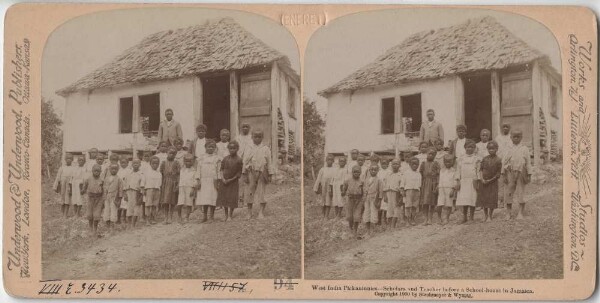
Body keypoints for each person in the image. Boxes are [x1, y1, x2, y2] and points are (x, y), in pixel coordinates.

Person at [242, 130, 275, 219]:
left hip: (262, 172)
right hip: (250, 171)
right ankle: (249, 212)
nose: (257, 138)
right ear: (252, 137)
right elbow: (245, 161)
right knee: (249, 192)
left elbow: (269, 162)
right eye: (255, 136)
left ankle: (261, 212)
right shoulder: (248, 147)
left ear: (262, 137)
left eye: (259, 137)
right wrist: (244, 173)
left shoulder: (265, 148)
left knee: (261, 192)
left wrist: (270, 174)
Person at [501, 130, 531, 220]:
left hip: (521, 172)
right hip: (509, 172)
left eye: (518, 137)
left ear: (521, 137)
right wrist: (503, 174)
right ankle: (508, 212)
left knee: (521, 191)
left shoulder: (524, 148)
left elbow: (528, 162)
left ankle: (520, 212)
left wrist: (529, 173)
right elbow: (503, 161)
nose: (516, 138)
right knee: (508, 192)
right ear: (511, 137)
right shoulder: (507, 148)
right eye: (514, 136)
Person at [216, 141, 243, 221]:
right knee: (224, 198)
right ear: (228, 149)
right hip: (224, 182)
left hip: (233, 182)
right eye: (230, 148)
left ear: (237, 149)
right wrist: (223, 179)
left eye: (234, 148)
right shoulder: (225, 158)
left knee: (232, 198)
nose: (232, 150)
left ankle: (230, 215)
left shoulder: (239, 160)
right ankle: (226, 214)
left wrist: (230, 180)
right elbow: (221, 169)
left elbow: (239, 173)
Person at [455, 139, 480, 224]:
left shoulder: (476, 159)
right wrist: (458, 181)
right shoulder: (461, 158)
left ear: (475, 148)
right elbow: (458, 170)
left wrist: (478, 180)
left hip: (472, 181)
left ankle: (471, 217)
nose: (470, 149)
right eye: (468, 147)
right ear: (465, 147)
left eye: (472, 147)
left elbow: (478, 170)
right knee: (464, 200)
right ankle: (464, 216)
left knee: (472, 199)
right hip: (463, 181)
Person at [196, 139, 219, 223]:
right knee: (204, 199)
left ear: (215, 148)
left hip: (213, 180)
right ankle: (204, 215)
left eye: (212, 147)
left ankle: (211, 216)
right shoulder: (201, 158)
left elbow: (218, 170)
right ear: (205, 147)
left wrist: (218, 180)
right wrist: (198, 180)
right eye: (209, 147)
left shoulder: (216, 158)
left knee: (212, 198)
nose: (210, 149)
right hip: (203, 180)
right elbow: (198, 169)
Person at [478, 141, 502, 222]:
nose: (491, 150)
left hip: (492, 183)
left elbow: (498, 174)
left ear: (497, 149)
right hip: (484, 182)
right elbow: (480, 169)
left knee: (491, 198)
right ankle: (485, 215)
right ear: (487, 149)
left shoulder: (498, 160)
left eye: (493, 149)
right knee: (484, 198)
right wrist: (482, 179)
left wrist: (489, 180)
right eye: (489, 149)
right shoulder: (484, 159)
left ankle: (490, 216)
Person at [342, 166, 364, 238]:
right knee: (350, 216)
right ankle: (350, 229)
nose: (356, 173)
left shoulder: (362, 181)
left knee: (357, 216)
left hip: (359, 200)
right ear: (352, 172)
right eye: (354, 172)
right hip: (350, 199)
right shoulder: (348, 180)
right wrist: (343, 192)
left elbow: (363, 191)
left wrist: (363, 200)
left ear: (360, 173)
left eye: (358, 172)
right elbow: (344, 189)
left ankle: (355, 230)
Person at [82, 164, 104, 237]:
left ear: (101, 171)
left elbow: (103, 190)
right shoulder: (88, 179)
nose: (96, 172)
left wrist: (103, 200)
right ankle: (90, 228)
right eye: (95, 171)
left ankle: (95, 229)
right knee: (89, 214)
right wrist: (82, 190)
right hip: (90, 198)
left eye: (98, 171)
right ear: (92, 171)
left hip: (99, 199)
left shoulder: (102, 180)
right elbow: (84, 188)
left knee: (97, 214)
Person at [160, 147, 180, 224]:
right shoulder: (163, 163)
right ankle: (165, 217)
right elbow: (161, 173)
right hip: (165, 183)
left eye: (173, 154)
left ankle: (170, 217)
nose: (171, 155)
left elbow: (178, 174)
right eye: (170, 153)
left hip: (173, 182)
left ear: (175, 155)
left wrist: (177, 183)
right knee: (165, 201)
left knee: (172, 201)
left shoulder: (177, 163)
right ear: (167, 153)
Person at [420, 148, 440, 225]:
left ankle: (430, 218)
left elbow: (438, 175)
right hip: (425, 184)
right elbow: (421, 175)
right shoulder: (423, 164)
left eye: (432, 154)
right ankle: (425, 218)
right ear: (427, 154)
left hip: (433, 183)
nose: (430, 155)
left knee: (432, 202)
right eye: (429, 153)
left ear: (435, 156)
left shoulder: (436, 164)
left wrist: (437, 184)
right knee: (425, 202)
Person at [363, 164, 383, 235]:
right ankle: (367, 230)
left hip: (375, 198)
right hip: (367, 198)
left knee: (374, 213)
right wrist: (364, 198)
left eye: (375, 170)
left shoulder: (379, 180)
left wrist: (379, 200)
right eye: (372, 170)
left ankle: (373, 230)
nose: (373, 171)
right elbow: (365, 189)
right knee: (367, 213)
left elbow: (380, 191)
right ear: (369, 170)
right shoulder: (366, 179)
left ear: (378, 171)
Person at [495, 123, 512, 209]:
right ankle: (500, 200)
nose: (505, 128)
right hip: (500, 161)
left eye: (507, 127)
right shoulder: (498, 138)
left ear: (509, 128)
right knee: (500, 182)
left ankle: (507, 201)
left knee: (508, 181)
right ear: (501, 128)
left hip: (508, 162)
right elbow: (496, 149)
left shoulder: (511, 137)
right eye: (503, 127)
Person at [103, 163, 123, 233]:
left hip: (115, 197)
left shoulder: (119, 179)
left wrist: (119, 199)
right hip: (107, 197)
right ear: (109, 169)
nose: (114, 170)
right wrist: (104, 197)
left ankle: (112, 226)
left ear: (118, 170)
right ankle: (107, 225)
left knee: (114, 211)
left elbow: (120, 190)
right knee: (107, 210)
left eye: (115, 169)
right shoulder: (106, 179)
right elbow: (105, 188)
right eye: (112, 169)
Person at [313, 154, 335, 219]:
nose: (329, 161)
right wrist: (316, 188)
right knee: (323, 200)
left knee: (328, 200)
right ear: (326, 160)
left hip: (330, 187)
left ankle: (326, 216)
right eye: (328, 160)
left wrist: (333, 188)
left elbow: (335, 179)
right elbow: (318, 179)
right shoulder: (322, 169)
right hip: (323, 187)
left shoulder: (334, 170)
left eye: (331, 160)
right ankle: (323, 214)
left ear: (333, 161)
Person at [436, 154, 457, 224]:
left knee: (449, 204)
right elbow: (440, 179)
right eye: (446, 162)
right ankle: (439, 217)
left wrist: (453, 189)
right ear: (444, 162)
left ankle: (447, 218)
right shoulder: (441, 170)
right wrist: (438, 187)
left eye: (449, 162)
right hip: (441, 188)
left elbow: (455, 180)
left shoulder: (454, 171)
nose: (447, 163)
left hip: (449, 188)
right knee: (440, 204)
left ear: (453, 162)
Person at [401, 158, 421, 226]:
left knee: (414, 206)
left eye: (416, 164)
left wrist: (419, 190)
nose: (415, 165)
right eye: (413, 164)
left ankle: (412, 218)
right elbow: (402, 183)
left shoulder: (418, 173)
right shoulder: (406, 173)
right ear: (410, 164)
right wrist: (402, 190)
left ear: (418, 165)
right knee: (408, 206)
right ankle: (407, 220)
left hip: (416, 190)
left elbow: (419, 184)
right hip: (408, 190)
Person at [123, 159, 143, 228]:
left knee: (136, 208)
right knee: (129, 207)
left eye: (137, 163)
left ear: (140, 164)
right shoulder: (128, 173)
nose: (135, 164)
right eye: (134, 163)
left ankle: (133, 224)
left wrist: (141, 194)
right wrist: (125, 193)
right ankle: (129, 224)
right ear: (131, 164)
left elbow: (142, 185)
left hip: (137, 192)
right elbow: (125, 184)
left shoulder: (141, 174)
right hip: (129, 192)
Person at [54, 153, 75, 218]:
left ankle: (65, 214)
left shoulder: (73, 168)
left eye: (70, 159)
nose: (68, 160)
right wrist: (55, 186)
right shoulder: (62, 168)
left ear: (72, 160)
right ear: (65, 159)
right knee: (62, 198)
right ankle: (62, 213)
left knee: (67, 199)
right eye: (67, 159)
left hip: (69, 185)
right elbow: (58, 177)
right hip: (62, 185)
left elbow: (74, 178)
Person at [384, 159, 403, 228]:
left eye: (397, 164)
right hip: (389, 192)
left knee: (396, 209)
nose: (395, 166)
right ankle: (389, 225)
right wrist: (385, 195)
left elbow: (402, 186)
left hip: (397, 194)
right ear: (391, 165)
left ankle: (393, 225)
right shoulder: (388, 174)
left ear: (400, 165)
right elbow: (385, 185)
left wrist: (401, 196)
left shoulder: (401, 175)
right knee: (389, 209)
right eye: (393, 164)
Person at [143, 156, 162, 225]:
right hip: (149, 189)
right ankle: (147, 219)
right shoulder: (147, 172)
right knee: (148, 205)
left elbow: (160, 183)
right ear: (150, 163)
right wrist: (144, 189)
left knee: (154, 204)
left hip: (157, 190)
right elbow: (143, 181)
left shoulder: (159, 173)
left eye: (157, 163)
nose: (155, 165)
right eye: (153, 163)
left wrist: (159, 190)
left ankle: (153, 218)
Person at [178, 154, 197, 223]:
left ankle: (187, 217)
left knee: (189, 202)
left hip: (189, 187)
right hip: (182, 187)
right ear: (184, 161)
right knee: (180, 202)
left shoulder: (194, 170)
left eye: (189, 161)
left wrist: (193, 188)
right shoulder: (181, 169)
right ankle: (179, 216)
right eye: (186, 161)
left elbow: (195, 180)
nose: (187, 163)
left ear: (192, 162)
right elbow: (179, 178)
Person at [237, 124, 252, 206]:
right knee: (240, 182)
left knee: (248, 181)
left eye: (247, 127)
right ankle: (240, 201)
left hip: (248, 161)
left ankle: (248, 201)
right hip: (240, 161)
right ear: (241, 128)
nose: (245, 128)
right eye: (243, 127)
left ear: (249, 128)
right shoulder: (238, 138)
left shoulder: (251, 138)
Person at [116, 155, 131, 224]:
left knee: (125, 204)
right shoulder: (118, 171)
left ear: (128, 163)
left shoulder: (130, 171)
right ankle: (118, 218)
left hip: (126, 189)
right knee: (119, 204)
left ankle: (124, 218)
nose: (123, 164)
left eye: (125, 163)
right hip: (119, 189)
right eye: (122, 163)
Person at [377, 159, 391, 226]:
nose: (384, 165)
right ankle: (379, 220)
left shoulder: (389, 172)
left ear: (388, 164)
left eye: (385, 164)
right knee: (380, 206)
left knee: (386, 206)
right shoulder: (379, 172)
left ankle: (385, 219)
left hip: (387, 191)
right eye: (382, 164)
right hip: (380, 190)